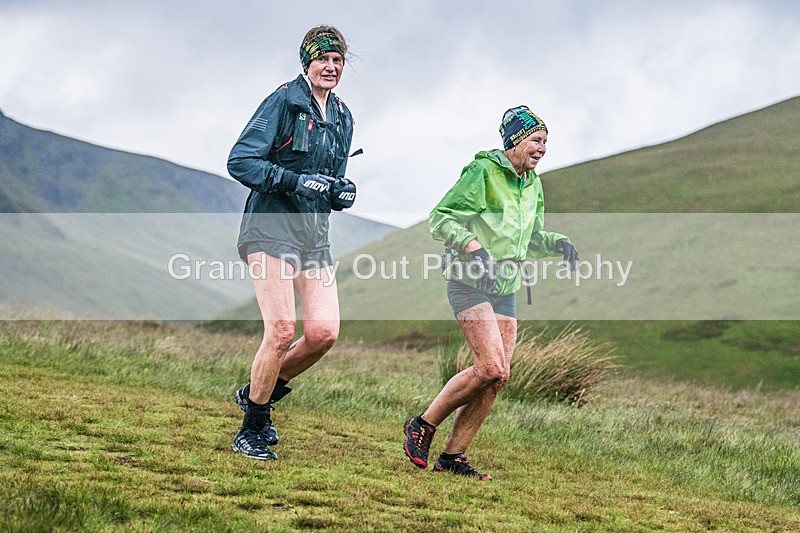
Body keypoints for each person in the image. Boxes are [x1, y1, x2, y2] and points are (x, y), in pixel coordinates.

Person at [403, 105, 579, 479]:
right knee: (490, 366)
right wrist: (473, 247)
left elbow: (528, 238)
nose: (542, 148)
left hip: (506, 287)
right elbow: (442, 217)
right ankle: (422, 424)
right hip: (470, 282)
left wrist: (557, 243)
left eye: (546, 141)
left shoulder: (532, 183)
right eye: (536, 140)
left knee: (498, 377)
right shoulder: (483, 172)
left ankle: (453, 457)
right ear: (516, 140)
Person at [227, 25, 356, 460]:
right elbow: (241, 160)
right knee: (281, 329)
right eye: (324, 59)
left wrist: (341, 191)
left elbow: (329, 183)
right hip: (269, 228)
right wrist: (294, 179)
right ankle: (252, 429)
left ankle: (257, 394)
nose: (331, 67)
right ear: (307, 62)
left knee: (322, 333)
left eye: (338, 61)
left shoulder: (343, 117)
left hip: (312, 236)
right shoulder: (283, 100)